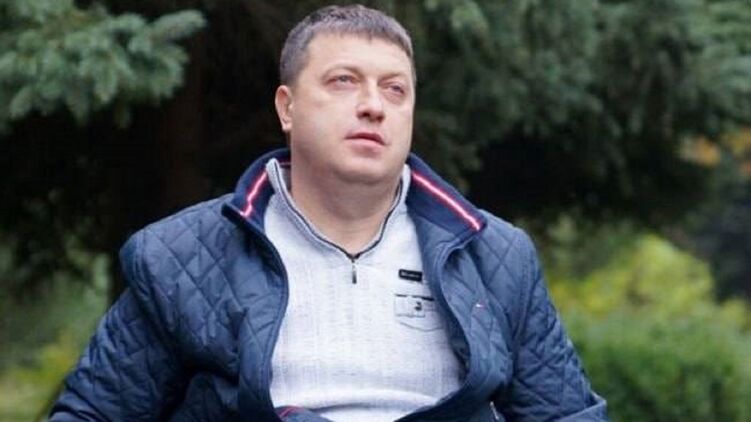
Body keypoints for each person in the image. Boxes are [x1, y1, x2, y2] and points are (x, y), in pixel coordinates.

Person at [50, 4, 607, 422]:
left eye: (395, 90)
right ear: (287, 108)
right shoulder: (182, 256)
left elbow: (567, 415)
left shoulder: (495, 255)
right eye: (344, 81)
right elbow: (93, 413)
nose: (373, 105)